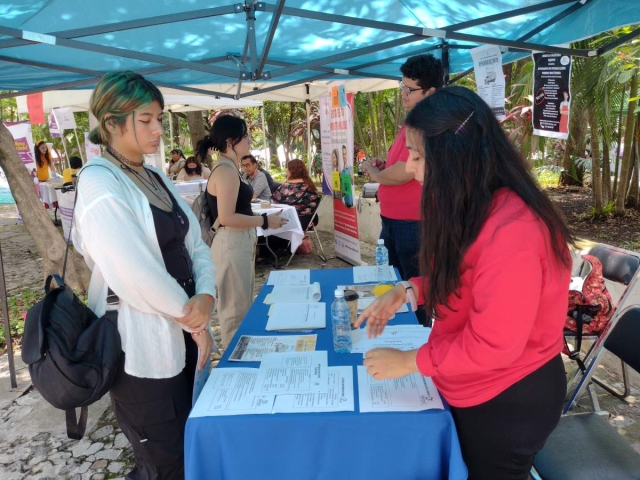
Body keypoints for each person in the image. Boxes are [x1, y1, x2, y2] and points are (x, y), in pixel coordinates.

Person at [356, 86, 573, 480]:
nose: (413, 170)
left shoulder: (514, 232)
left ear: (456, 157)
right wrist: (411, 290)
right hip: (479, 382)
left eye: (419, 158)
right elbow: (467, 275)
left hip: (508, 397)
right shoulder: (478, 203)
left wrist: (409, 362)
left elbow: (494, 344)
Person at [72, 70, 217, 480]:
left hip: (185, 333)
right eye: (146, 120)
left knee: (191, 444)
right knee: (164, 460)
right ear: (113, 123)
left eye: (159, 118)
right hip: (143, 350)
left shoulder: (153, 177)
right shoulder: (100, 183)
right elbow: (134, 273)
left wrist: (206, 295)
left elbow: (196, 243)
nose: (157, 129)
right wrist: (196, 320)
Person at [359, 53, 443, 327]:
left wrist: (375, 173)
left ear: (430, 91)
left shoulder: (429, 124)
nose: (404, 94)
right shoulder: (412, 121)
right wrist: (384, 165)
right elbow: (401, 163)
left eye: (410, 89)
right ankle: (401, 339)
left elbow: (404, 171)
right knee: (393, 285)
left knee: (414, 291)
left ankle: (416, 344)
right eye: (402, 87)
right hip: (394, 221)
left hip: (415, 223)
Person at [198, 116, 286, 348]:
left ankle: (240, 357)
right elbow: (226, 217)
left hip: (236, 242)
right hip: (231, 244)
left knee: (242, 306)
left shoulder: (228, 167)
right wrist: (266, 221)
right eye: (245, 137)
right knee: (234, 313)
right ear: (230, 141)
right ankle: (234, 365)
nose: (248, 141)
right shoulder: (225, 171)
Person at [267, 158, 321, 253]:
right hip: (307, 221)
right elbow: (312, 207)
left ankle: (268, 251)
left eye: (287, 169)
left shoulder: (285, 187)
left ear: (292, 171)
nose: (286, 172)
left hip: (289, 222)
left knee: (268, 221)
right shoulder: (310, 186)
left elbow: (272, 202)